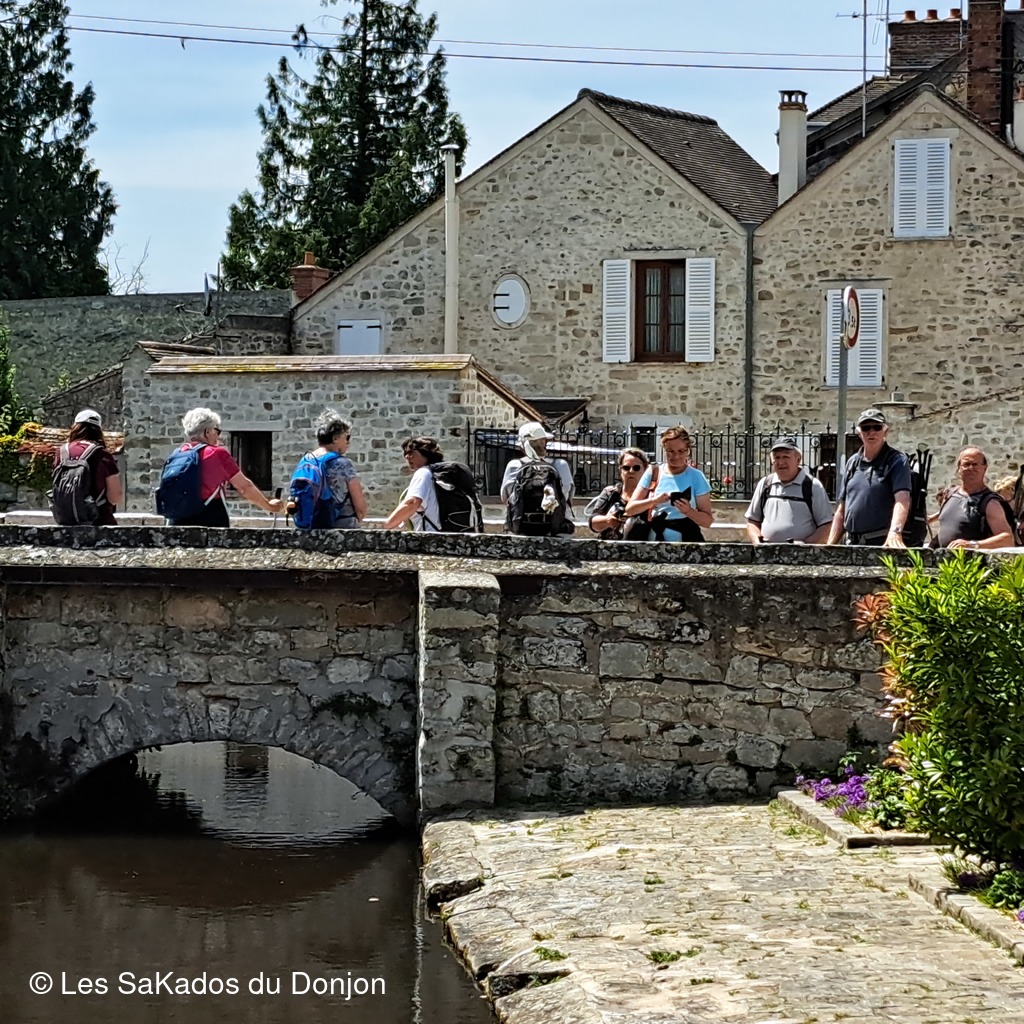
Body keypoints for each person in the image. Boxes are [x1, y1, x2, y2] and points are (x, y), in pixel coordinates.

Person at [164, 408, 283, 526]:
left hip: (176, 520)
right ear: (207, 432)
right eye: (217, 430)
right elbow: (244, 487)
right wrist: (269, 506)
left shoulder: (178, 453)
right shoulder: (217, 454)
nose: (218, 436)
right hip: (209, 517)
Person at [826, 409, 910, 548]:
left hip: (881, 543)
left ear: (885, 431)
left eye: (877, 427)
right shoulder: (852, 462)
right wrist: (830, 546)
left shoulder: (897, 461)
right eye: (866, 428)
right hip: (850, 544)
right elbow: (842, 508)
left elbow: (902, 499)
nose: (871, 432)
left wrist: (895, 532)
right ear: (859, 433)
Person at [624, 425, 713, 542]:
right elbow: (630, 509)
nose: (676, 456)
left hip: (685, 542)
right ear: (664, 450)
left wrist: (688, 511)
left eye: (681, 451)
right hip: (655, 541)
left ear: (688, 450)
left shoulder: (696, 476)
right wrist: (654, 501)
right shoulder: (653, 472)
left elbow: (707, 521)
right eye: (670, 451)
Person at [744, 437, 833, 544]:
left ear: (798, 459)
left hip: (801, 554)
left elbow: (826, 525)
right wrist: (758, 543)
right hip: (767, 552)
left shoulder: (812, 486)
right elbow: (752, 522)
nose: (781, 462)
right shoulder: (765, 484)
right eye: (777, 457)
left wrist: (804, 546)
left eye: (786, 457)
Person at [289, 410, 366, 528]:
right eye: (347, 437)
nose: (348, 442)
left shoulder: (305, 460)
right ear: (335, 438)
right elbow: (360, 509)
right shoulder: (343, 464)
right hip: (340, 526)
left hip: (309, 527)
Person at [500, 422, 575, 535]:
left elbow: (505, 498)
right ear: (545, 442)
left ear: (522, 446)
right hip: (556, 530)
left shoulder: (514, 465)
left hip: (521, 529)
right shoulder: (560, 465)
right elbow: (567, 497)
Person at [52, 409, 123, 525]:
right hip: (98, 522)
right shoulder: (102, 454)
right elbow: (115, 497)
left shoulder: (62, 452)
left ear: (75, 427)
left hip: (66, 522)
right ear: (99, 430)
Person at [936, 447, 1016, 550]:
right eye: (966, 464)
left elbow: (1007, 539)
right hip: (944, 559)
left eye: (975, 464)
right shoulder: (950, 495)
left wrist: (972, 545)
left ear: (984, 468)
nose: (970, 468)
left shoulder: (990, 503)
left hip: (973, 560)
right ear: (959, 468)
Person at [583, 447, 650, 540]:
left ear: (645, 470)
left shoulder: (651, 495)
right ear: (620, 470)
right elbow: (593, 523)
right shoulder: (611, 493)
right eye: (626, 468)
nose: (631, 471)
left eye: (636, 468)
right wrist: (608, 520)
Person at [382, 436, 444, 531]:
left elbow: (412, 503)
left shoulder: (423, 473)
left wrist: (386, 525)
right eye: (405, 453)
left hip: (431, 535)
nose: (407, 457)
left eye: (411, 453)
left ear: (425, 454)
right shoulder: (442, 475)